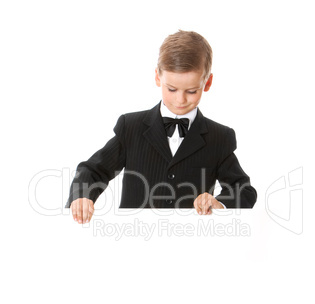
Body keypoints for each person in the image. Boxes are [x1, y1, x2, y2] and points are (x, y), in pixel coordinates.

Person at [66, 30, 257, 224]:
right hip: (133, 239)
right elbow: (93, 170)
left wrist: (218, 203)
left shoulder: (220, 137)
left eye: (191, 91)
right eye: (172, 89)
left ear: (207, 83)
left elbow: (243, 189)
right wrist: (82, 195)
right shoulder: (131, 127)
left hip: (193, 241)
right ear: (158, 77)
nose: (180, 100)